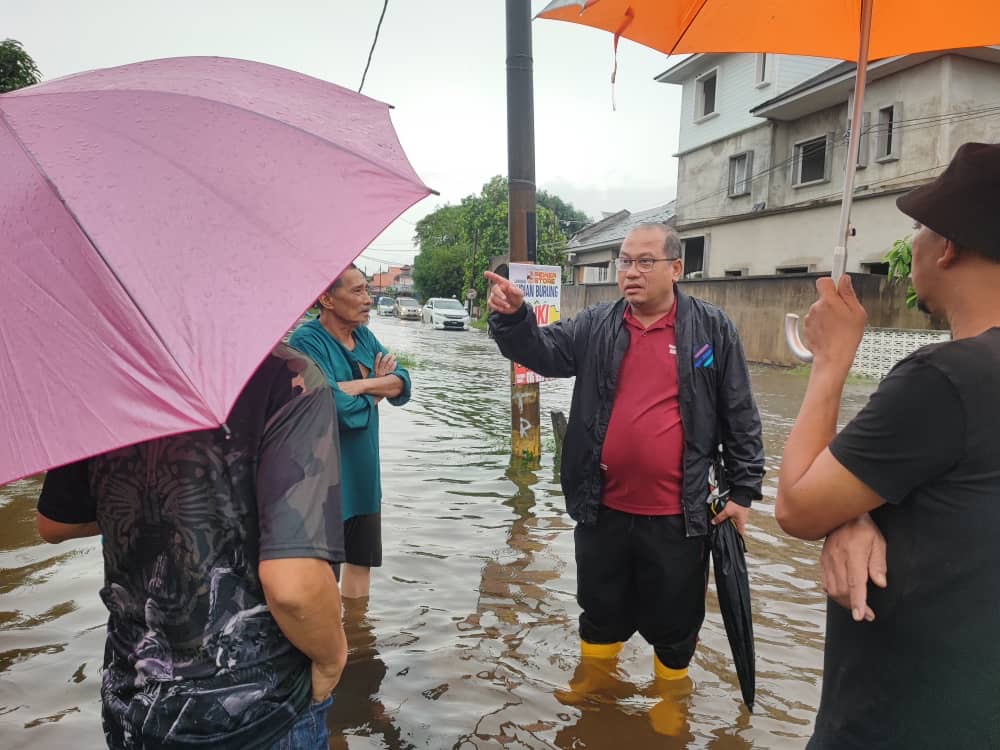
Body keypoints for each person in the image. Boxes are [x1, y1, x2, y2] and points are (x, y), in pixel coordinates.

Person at [485, 223, 765, 724]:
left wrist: (743, 489)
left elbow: (739, 410)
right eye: (624, 261)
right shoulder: (596, 324)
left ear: (676, 269)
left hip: (678, 516)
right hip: (603, 505)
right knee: (599, 607)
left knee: (677, 621)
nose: (630, 272)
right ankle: (594, 682)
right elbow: (543, 352)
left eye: (644, 261)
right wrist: (514, 319)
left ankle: (669, 701)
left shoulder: (712, 329)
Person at [775, 142, 1000, 749]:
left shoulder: (947, 378)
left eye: (919, 229)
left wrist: (829, 361)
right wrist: (859, 509)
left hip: (907, 720)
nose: (914, 246)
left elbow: (797, 505)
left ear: (948, 246)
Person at [35, 343, 348, 749]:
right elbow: (295, 585)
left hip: (134, 703)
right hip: (258, 714)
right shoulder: (290, 378)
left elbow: (54, 523)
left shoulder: (101, 376)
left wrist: (148, 511)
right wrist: (331, 657)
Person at [289, 265, 411, 599]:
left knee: (361, 569)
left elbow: (403, 383)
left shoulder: (364, 337)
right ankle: (332, 651)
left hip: (364, 475)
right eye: (357, 291)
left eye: (366, 290)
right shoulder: (307, 341)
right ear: (326, 299)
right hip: (324, 480)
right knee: (322, 582)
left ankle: (359, 643)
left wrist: (359, 385)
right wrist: (378, 389)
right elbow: (337, 411)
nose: (367, 299)